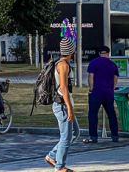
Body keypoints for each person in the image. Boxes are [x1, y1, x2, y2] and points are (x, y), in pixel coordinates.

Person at [45, 38, 77, 172]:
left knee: (75, 133)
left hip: (63, 104)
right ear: (71, 51)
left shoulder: (62, 63)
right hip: (62, 105)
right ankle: (59, 167)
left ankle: (52, 156)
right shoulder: (63, 65)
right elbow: (63, 87)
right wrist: (69, 108)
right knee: (66, 137)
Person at [83, 45, 119, 143]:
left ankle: (93, 137)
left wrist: (91, 88)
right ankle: (115, 136)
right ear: (108, 53)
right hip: (109, 93)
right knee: (111, 114)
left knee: (93, 114)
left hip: (96, 92)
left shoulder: (94, 63)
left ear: (99, 53)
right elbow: (115, 78)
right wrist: (112, 88)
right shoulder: (113, 64)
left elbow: (91, 76)